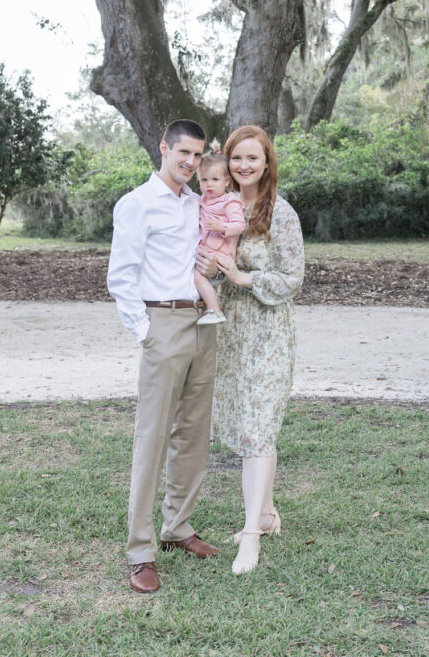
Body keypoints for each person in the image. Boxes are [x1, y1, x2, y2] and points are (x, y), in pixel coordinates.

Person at [107, 118, 220, 595]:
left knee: (194, 432)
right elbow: (121, 275)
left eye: (198, 156)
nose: (192, 164)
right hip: (163, 325)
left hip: (203, 324)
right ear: (164, 149)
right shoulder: (136, 204)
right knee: (152, 436)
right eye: (184, 154)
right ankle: (140, 550)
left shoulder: (199, 204)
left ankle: (179, 527)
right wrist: (146, 332)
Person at [208, 124, 305, 575]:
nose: (243, 166)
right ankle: (265, 515)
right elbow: (210, 268)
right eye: (236, 158)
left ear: (267, 163)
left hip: (268, 332)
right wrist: (210, 269)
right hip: (233, 333)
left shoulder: (280, 213)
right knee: (249, 424)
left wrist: (246, 279)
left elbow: (293, 278)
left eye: (252, 158)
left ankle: (250, 536)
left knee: (260, 427)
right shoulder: (220, 206)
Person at [194, 144, 246, 326]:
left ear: (226, 181)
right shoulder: (203, 201)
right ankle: (204, 304)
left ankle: (214, 310)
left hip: (221, 253)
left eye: (215, 179)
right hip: (208, 250)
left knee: (196, 276)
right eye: (203, 180)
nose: (208, 184)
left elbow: (239, 225)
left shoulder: (230, 202)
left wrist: (221, 226)